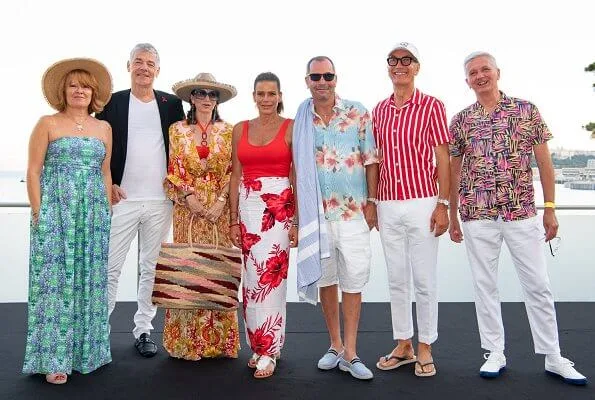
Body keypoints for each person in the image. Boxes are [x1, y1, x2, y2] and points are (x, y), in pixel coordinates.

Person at [449, 51, 587, 385]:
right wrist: (452, 214)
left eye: (485, 70)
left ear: (498, 72)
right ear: (466, 80)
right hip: (476, 213)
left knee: (538, 285)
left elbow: (545, 162)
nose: (480, 76)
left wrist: (550, 208)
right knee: (485, 285)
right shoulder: (461, 120)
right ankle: (494, 352)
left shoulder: (527, 110)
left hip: (521, 211)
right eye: (473, 73)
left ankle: (553, 356)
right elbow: (454, 168)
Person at [23, 58, 113, 384]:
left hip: (92, 216)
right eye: (73, 85)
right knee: (55, 283)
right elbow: (33, 171)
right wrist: (39, 213)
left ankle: (88, 353)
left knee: (89, 282)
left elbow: (105, 172)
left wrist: (106, 212)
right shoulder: (47, 123)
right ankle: (54, 358)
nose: (79, 90)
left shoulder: (104, 128)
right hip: (56, 213)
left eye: (85, 86)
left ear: (94, 93)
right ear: (64, 90)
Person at [96, 43, 184, 357]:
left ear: (158, 70)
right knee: (109, 268)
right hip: (122, 199)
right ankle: (97, 333)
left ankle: (144, 330)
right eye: (138, 62)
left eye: (150, 63)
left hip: (161, 201)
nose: (144, 67)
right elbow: (97, 145)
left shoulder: (172, 104)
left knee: (151, 268)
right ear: (129, 65)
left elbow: (182, 147)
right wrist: (109, 183)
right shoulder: (111, 103)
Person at [294, 56, 379, 381]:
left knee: (354, 281)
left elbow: (371, 159)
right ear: (307, 81)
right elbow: (295, 169)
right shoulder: (301, 120)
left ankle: (352, 352)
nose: (322, 82)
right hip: (318, 216)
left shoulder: (357, 112)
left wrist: (371, 201)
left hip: (353, 212)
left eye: (327, 76)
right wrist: (298, 216)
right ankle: (335, 345)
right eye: (316, 77)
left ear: (336, 78)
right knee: (327, 281)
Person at [372, 42, 451, 378]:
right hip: (387, 203)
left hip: (423, 201)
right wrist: (373, 203)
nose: (399, 65)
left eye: (406, 60)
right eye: (393, 60)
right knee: (396, 279)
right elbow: (374, 158)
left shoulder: (432, 106)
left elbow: (443, 158)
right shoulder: (378, 110)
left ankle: (425, 346)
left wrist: (443, 204)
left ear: (416, 67)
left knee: (424, 279)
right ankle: (404, 344)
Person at [162, 72, 240, 360]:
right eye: (201, 93)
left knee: (218, 269)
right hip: (187, 209)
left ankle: (219, 342)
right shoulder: (176, 130)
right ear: (191, 98)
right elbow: (173, 167)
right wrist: (188, 196)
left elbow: (234, 169)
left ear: (217, 100)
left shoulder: (231, 131)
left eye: (212, 94)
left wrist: (221, 201)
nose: (207, 99)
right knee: (188, 268)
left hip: (219, 210)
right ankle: (187, 342)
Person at [229, 72, 297, 379]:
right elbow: (235, 175)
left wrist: (295, 220)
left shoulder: (291, 127)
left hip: (278, 210)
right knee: (252, 280)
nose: (266, 99)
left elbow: (297, 174)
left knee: (272, 280)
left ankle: (271, 348)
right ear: (253, 96)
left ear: (280, 96)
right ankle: (257, 345)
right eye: (261, 94)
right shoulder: (240, 129)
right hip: (248, 208)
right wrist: (233, 218)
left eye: (272, 94)